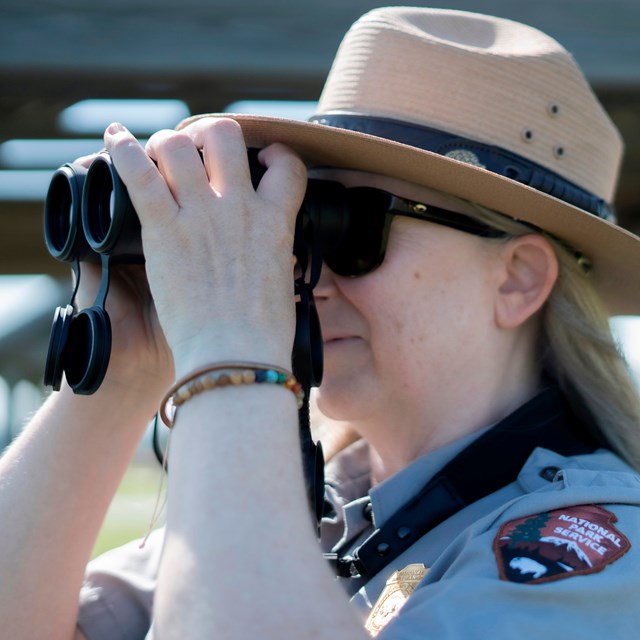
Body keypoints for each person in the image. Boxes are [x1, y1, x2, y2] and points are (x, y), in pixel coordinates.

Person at [2, 5, 640, 639]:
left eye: (353, 223)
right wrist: (121, 369)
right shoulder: (323, 508)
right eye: (296, 220)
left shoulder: (596, 555)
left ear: (517, 279)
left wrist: (231, 348)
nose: (301, 271)